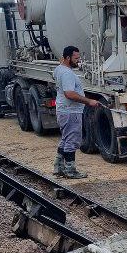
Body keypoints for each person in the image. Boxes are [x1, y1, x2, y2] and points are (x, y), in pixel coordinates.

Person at [53, 46, 99, 178]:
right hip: (70, 111)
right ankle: (70, 170)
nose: (78, 61)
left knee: (66, 139)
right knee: (72, 141)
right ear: (68, 58)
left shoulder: (59, 69)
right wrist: (89, 101)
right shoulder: (67, 73)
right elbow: (70, 94)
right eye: (76, 58)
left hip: (64, 110)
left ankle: (58, 167)